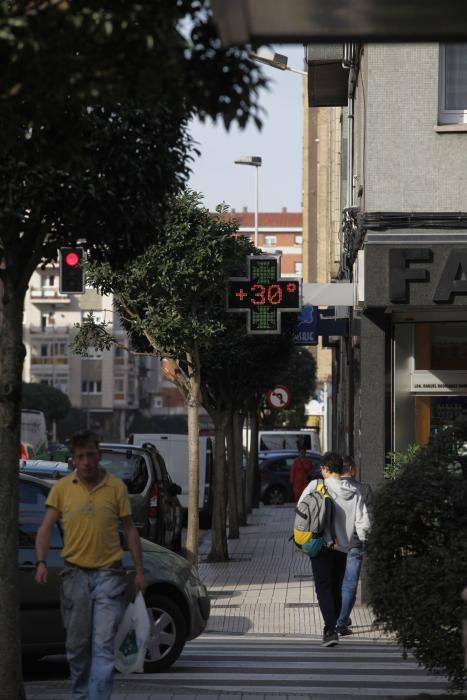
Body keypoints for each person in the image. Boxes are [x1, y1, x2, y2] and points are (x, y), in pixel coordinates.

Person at [35, 430, 146, 700]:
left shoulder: (116, 488)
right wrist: (40, 561)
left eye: (91, 455)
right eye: (80, 456)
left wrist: (140, 570)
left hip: (109, 576)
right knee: (77, 647)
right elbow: (45, 528)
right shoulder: (61, 489)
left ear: (99, 455)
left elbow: (130, 530)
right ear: (73, 459)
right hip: (74, 576)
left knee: (103, 646)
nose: (86, 461)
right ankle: (81, 694)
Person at [300, 451, 370, 647]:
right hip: (343, 547)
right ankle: (334, 626)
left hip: (320, 544)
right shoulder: (355, 493)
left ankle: (330, 630)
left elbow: (301, 509)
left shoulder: (316, 485)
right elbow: (363, 523)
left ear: (326, 469)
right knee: (336, 588)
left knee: (323, 587)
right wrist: (366, 542)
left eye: (322, 468)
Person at [335, 455, 372, 636]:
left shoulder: (330, 488)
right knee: (350, 584)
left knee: (336, 582)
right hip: (355, 543)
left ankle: (340, 616)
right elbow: (369, 518)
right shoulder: (364, 489)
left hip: (334, 543)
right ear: (351, 469)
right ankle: (341, 622)